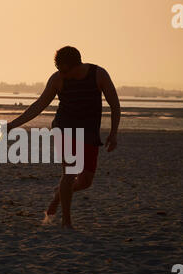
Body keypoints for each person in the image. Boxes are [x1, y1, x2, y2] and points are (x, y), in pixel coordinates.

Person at [8, 46, 121, 228]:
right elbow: (39, 105)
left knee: (85, 182)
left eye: (65, 70)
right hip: (64, 129)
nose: (62, 74)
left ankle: (59, 195)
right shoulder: (57, 79)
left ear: (78, 65)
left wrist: (114, 133)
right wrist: (12, 125)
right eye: (60, 70)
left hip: (90, 131)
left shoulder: (98, 74)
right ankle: (66, 222)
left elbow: (115, 104)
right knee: (69, 173)